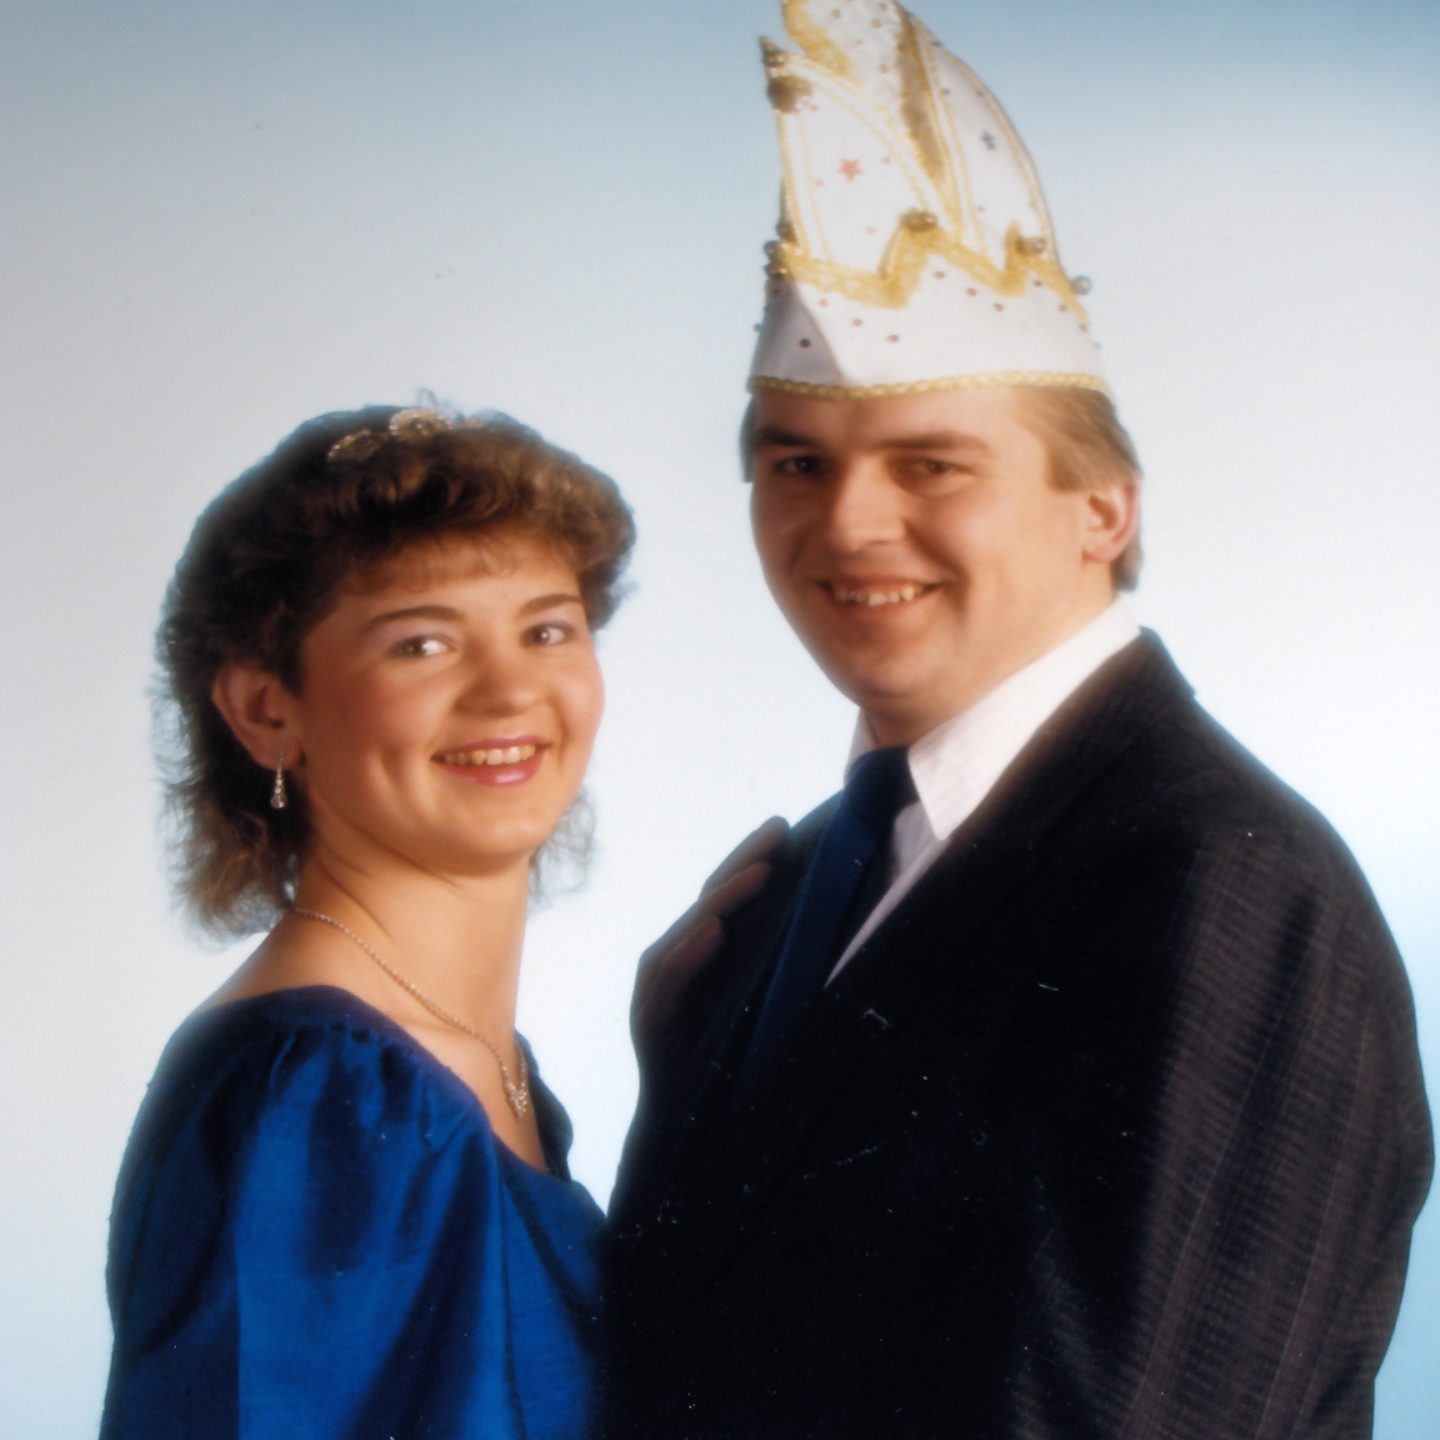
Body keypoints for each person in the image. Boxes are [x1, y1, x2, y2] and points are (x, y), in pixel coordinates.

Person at [606, 5, 1432, 1438]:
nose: (847, 522)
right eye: (796, 463)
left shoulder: (1217, 883)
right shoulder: (795, 893)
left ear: (1101, 510)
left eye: (931, 463)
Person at [101, 405, 633, 1438]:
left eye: (547, 629)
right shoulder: (328, 1095)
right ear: (266, 710)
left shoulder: (467, 1065)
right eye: (422, 643)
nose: (510, 691)